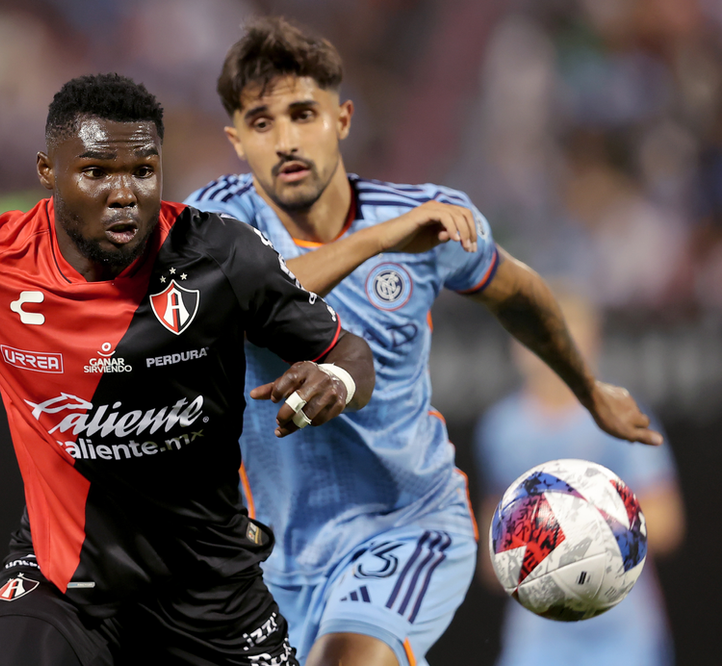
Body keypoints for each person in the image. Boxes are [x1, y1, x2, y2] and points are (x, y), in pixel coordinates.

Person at [0, 73, 377, 666]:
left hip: (211, 591)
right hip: (62, 584)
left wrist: (338, 382)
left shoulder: (222, 255)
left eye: (142, 170)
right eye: (96, 172)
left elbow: (349, 351)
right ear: (48, 172)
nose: (124, 193)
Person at [183, 17, 662, 666]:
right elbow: (248, 296)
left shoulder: (426, 219)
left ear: (343, 119)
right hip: (278, 560)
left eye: (304, 114)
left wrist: (589, 389)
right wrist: (376, 241)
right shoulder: (214, 218)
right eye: (262, 123)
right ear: (236, 140)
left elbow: (518, 292)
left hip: (408, 529)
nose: (287, 140)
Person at [474, 292, 684, 666]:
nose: (552, 352)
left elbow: (667, 524)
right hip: (538, 639)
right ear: (517, 346)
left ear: (592, 343)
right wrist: (535, 550)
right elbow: (493, 561)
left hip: (622, 637)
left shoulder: (623, 416)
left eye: (566, 338)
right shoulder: (501, 429)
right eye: (538, 338)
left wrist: (582, 530)